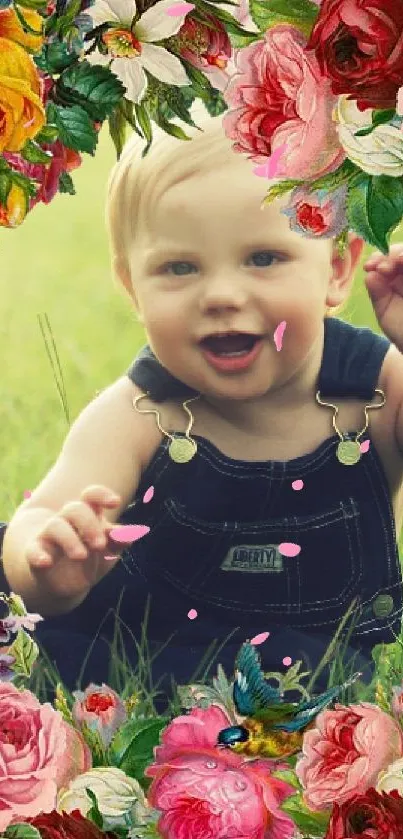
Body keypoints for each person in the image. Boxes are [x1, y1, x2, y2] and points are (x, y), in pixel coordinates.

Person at [2, 111, 403, 711]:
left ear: (336, 268)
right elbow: (42, 518)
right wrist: (48, 567)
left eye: (264, 258)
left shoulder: (375, 391)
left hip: (315, 681)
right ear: (133, 286)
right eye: (179, 268)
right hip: (134, 663)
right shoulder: (142, 412)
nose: (220, 295)